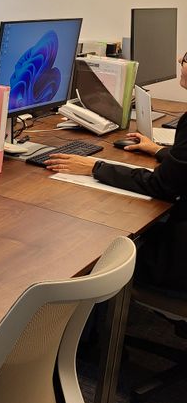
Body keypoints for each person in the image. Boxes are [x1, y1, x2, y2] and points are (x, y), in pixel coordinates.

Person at [45, 51, 187, 291]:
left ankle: (100, 312)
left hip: (175, 260)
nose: (179, 61)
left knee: (91, 247)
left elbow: (161, 185)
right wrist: (159, 151)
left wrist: (95, 167)